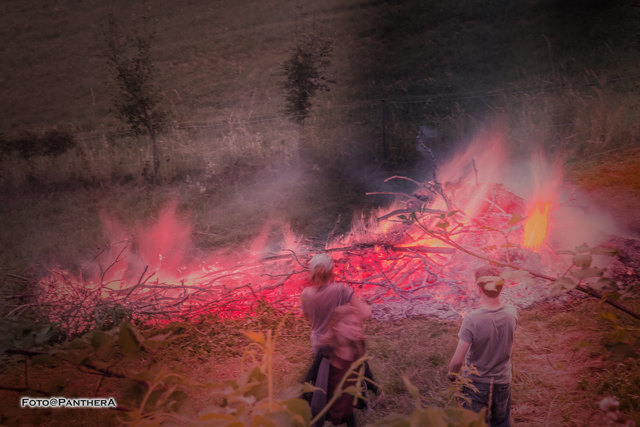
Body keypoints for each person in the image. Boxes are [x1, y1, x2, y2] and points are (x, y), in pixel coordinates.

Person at [448, 265, 517, 427]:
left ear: (479, 289)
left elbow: (457, 361)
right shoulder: (511, 313)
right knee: (501, 422)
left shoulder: (472, 320)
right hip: (502, 382)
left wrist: (452, 375)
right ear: (501, 287)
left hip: (476, 385)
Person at [303, 304, 382, 427]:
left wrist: (377, 389)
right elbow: (310, 376)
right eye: (347, 323)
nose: (352, 328)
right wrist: (300, 401)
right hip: (327, 405)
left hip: (347, 406)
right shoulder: (325, 351)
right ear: (335, 326)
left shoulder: (357, 349)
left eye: (355, 324)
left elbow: (365, 371)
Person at [301, 253, 371, 354]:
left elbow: (306, 316)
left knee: (324, 368)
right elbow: (365, 313)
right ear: (331, 271)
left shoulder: (305, 293)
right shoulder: (341, 290)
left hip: (318, 345)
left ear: (312, 272)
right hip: (339, 342)